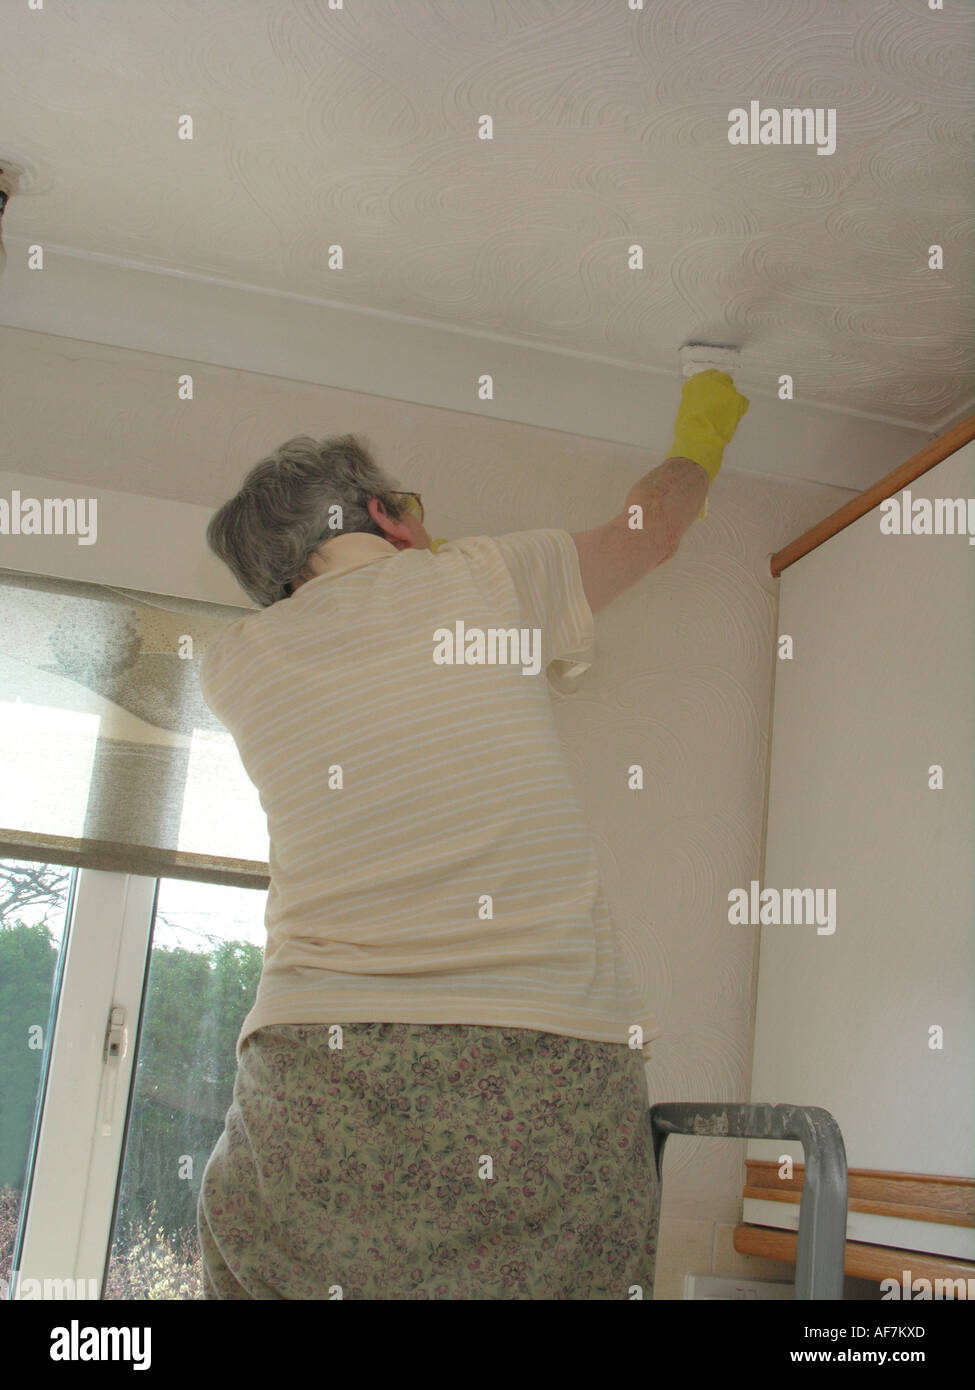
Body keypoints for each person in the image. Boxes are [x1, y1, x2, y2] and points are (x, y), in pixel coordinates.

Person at [196, 369, 749, 1300]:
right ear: (389, 513)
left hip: (314, 1069)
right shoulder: (485, 575)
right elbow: (653, 529)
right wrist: (704, 425)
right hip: (536, 1056)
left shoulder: (231, 664)